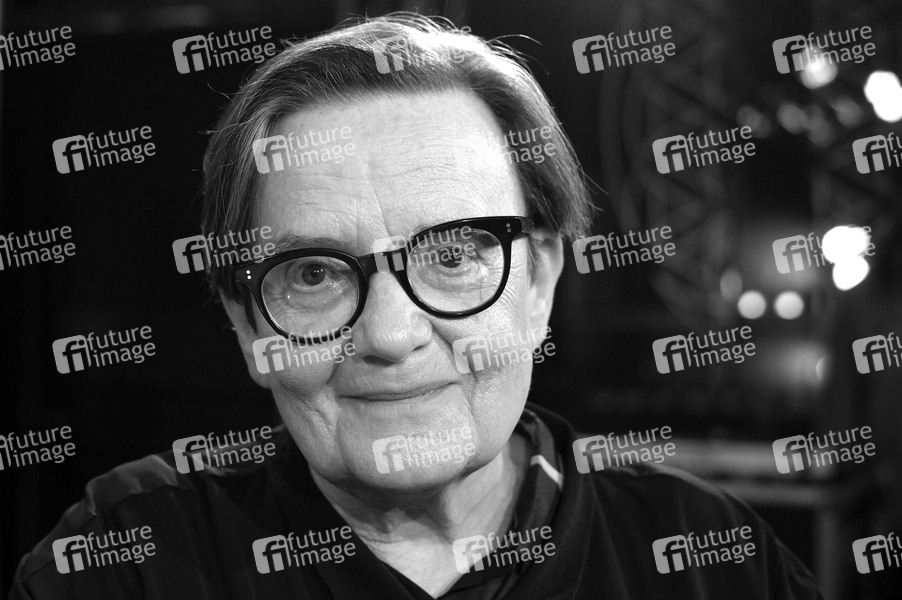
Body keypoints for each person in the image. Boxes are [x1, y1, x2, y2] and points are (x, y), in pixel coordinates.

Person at [9, 14, 824, 599]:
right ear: (248, 322)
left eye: (454, 256)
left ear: (539, 284)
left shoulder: (711, 560)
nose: (392, 335)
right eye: (315, 275)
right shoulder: (128, 561)